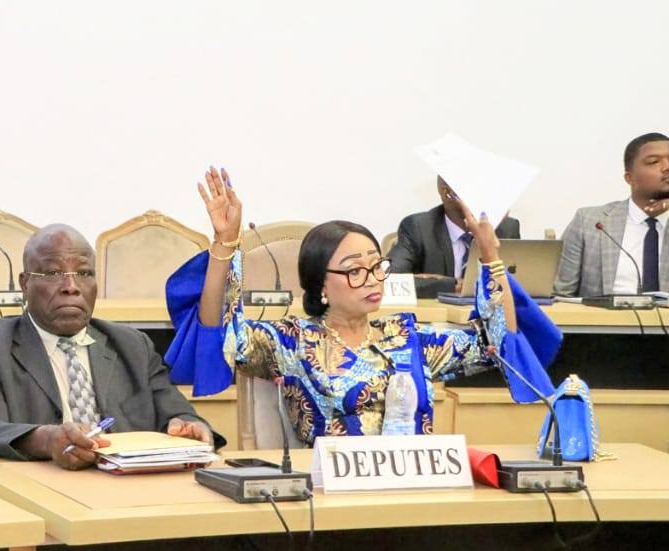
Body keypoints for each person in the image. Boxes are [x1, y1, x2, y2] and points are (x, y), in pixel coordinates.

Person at [163, 167, 559, 446]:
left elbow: (498, 343)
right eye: (354, 270)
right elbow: (222, 336)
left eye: (376, 266)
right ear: (321, 284)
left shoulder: (408, 338)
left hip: (414, 491)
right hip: (331, 497)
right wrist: (225, 244)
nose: (371, 278)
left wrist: (490, 256)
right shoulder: (293, 341)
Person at [0, 224, 224, 470]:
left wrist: (189, 426)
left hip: (129, 488)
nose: (71, 287)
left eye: (84, 273)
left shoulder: (133, 346)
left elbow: (178, 414)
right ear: (25, 284)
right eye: (53, 273)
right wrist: (46, 440)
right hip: (41, 488)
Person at [553, 132, 669, 297]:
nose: (666, 167)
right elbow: (559, 294)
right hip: (604, 313)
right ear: (630, 178)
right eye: (653, 162)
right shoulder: (590, 222)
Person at [388, 176, 521, 280]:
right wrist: (452, 285)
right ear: (447, 193)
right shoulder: (418, 228)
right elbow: (391, 279)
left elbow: (520, 284)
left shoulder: (506, 229)